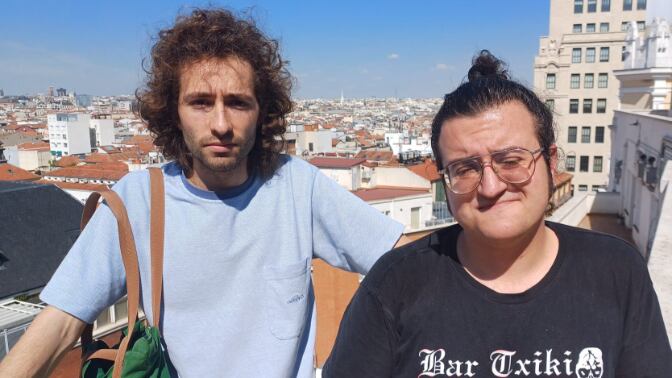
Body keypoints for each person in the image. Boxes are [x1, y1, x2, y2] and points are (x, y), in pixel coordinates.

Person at [0, 8, 404, 377]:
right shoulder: (139, 200)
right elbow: (59, 323)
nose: (221, 123)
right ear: (173, 111)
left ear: (262, 111)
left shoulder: (297, 187)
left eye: (238, 103)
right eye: (200, 102)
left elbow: (405, 265)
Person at [323, 50, 672, 377]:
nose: (490, 186)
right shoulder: (397, 283)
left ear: (551, 162)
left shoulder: (615, 271)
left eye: (511, 160)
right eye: (466, 168)